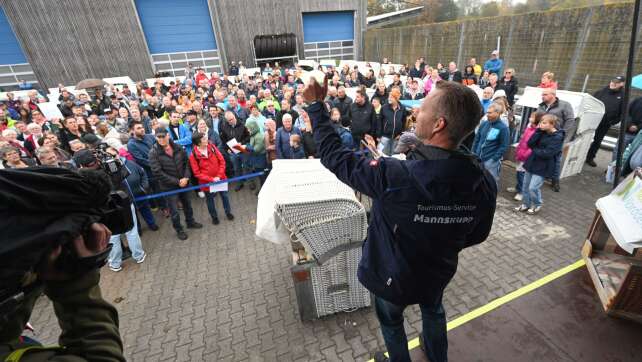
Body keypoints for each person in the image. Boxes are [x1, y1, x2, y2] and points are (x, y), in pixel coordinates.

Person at [303, 78, 496, 362]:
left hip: (393, 278)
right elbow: (478, 234)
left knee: (392, 324)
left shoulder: (395, 176)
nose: (415, 112)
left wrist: (316, 107)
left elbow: (335, 157)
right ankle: (436, 356)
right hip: (437, 273)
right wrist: (441, 237)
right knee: (434, 310)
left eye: (423, 107)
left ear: (439, 124)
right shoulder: (483, 182)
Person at [149, 127, 203, 240]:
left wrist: (186, 177)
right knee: (174, 211)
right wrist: (177, 181)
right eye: (158, 137)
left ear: (168, 135)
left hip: (184, 182)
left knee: (187, 204)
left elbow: (187, 163)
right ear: (155, 138)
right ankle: (179, 229)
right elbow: (157, 172)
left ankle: (190, 222)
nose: (161, 139)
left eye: (163, 136)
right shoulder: (153, 153)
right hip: (169, 187)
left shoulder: (178, 147)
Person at [515, 115, 564, 214]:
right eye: (541, 122)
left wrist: (535, 149)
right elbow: (530, 143)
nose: (541, 125)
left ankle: (537, 204)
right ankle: (526, 204)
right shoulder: (541, 132)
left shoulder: (557, 137)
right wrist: (537, 131)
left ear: (552, 124)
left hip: (543, 166)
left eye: (544, 123)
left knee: (533, 187)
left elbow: (547, 153)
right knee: (525, 186)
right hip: (532, 162)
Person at [189, 132, 234, 224]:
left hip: (220, 178)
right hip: (207, 183)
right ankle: (214, 217)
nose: (207, 140)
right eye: (204, 139)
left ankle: (228, 212)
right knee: (210, 200)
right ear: (198, 143)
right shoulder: (193, 155)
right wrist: (211, 179)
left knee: (224, 196)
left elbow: (222, 161)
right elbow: (197, 173)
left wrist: (219, 175)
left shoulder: (212, 147)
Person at [537, 88, 575, 192]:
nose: (542, 96)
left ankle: (555, 180)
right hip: (543, 136)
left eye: (545, 94)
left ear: (553, 95)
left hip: (556, 137)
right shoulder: (541, 106)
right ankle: (541, 175)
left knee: (556, 159)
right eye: (542, 94)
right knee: (542, 155)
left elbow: (570, 120)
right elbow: (537, 119)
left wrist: (563, 134)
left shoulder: (564, 105)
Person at [586, 76, 625, 167]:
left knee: (597, 141)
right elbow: (590, 103)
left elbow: (623, 112)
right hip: (592, 120)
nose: (613, 83)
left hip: (605, 123)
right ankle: (579, 156)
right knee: (585, 138)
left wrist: (613, 122)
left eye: (616, 82)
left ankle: (590, 158)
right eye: (612, 81)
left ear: (622, 84)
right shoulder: (601, 91)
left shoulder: (623, 96)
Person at [508, 112, 544, 201]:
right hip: (521, 154)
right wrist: (518, 150)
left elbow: (533, 146)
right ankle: (518, 188)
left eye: (532, 117)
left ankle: (521, 192)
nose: (530, 118)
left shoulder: (538, 131)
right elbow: (522, 140)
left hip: (526, 157)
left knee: (521, 174)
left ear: (537, 119)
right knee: (518, 173)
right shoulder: (529, 127)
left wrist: (525, 155)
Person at [472, 103, 510, 185]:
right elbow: (476, 139)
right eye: (487, 112)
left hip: (490, 161)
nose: (487, 114)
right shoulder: (484, 123)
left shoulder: (503, 128)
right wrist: (473, 153)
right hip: (478, 158)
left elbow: (504, 146)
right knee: (477, 180)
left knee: (490, 183)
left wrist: (493, 159)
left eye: (490, 113)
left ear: (497, 113)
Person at [219, 111, 250, 191]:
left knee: (246, 166)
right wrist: (227, 149)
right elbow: (223, 140)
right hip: (233, 151)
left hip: (242, 148)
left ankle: (250, 182)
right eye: (229, 120)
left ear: (234, 117)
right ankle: (240, 183)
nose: (231, 121)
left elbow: (248, 136)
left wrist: (241, 143)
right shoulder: (225, 127)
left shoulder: (243, 124)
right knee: (236, 168)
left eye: (232, 119)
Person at [379, 88, 406, 156]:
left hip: (397, 137)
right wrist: (379, 135)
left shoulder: (402, 108)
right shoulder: (384, 108)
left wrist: (400, 134)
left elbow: (403, 121)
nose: (389, 99)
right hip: (385, 137)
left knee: (394, 156)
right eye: (389, 97)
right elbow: (379, 122)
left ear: (396, 98)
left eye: (391, 97)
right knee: (382, 155)